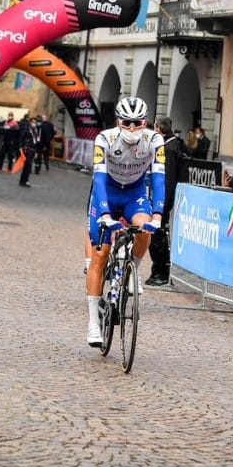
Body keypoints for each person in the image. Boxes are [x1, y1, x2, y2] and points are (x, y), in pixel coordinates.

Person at [84, 97, 164, 346]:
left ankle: (133, 271)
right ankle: (93, 324)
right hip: (107, 191)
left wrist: (159, 215)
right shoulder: (104, 139)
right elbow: (97, 179)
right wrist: (106, 215)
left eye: (137, 123)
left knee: (145, 228)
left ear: (145, 122)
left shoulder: (155, 140)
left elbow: (160, 179)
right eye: (126, 123)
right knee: (99, 255)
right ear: (118, 122)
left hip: (135, 194)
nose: (131, 129)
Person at [147, 116, 185, 287]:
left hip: (162, 202)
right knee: (157, 237)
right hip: (161, 200)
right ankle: (159, 271)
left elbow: (168, 180)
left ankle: (160, 273)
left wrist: (161, 204)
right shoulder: (170, 145)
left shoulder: (169, 149)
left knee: (158, 238)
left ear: (160, 130)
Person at [18, 115, 41, 187]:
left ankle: (22, 180)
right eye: (33, 122)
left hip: (33, 149)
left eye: (35, 122)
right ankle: (25, 180)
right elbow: (21, 137)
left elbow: (37, 142)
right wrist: (21, 147)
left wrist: (36, 151)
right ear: (30, 122)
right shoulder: (27, 129)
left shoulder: (36, 130)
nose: (34, 123)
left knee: (27, 166)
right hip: (27, 148)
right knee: (28, 165)